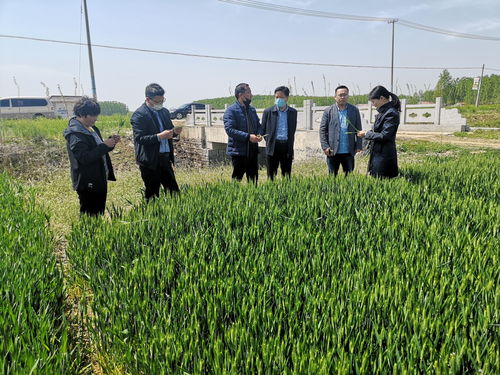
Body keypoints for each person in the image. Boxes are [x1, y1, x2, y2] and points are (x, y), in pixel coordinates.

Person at [63, 96, 120, 216]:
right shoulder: (75, 134)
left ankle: (96, 233)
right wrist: (104, 146)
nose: (96, 118)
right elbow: (84, 158)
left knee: (98, 212)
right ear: (83, 114)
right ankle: (87, 234)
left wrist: (110, 143)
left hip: (99, 177)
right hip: (87, 181)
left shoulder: (91, 128)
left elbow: (97, 149)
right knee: (89, 215)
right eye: (93, 115)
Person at [131, 83, 182, 200]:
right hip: (150, 161)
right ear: (148, 99)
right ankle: (153, 216)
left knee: (174, 192)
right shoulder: (139, 115)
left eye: (162, 100)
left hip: (165, 158)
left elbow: (169, 130)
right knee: (152, 195)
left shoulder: (164, 112)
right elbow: (140, 139)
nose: (160, 104)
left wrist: (175, 132)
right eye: (157, 101)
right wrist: (159, 136)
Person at [357, 85, 400, 178]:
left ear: (382, 98)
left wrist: (367, 134)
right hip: (378, 152)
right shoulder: (383, 112)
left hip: (384, 155)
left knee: (383, 181)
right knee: (375, 179)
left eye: (373, 101)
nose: (373, 104)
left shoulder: (391, 113)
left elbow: (385, 136)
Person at [223, 83, 264, 183]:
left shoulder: (252, 110)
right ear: (241, 95)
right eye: (249, 92)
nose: (251, 95)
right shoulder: (231, 111)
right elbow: (230, 130)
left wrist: (259, 134)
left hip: (253, 151)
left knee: (253, 181)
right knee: (236, 181)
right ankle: (233, 198)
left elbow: (258, 125)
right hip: (239, 152)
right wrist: (248, 137)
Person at [319, 85, 363, 176]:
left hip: (349, 151)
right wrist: (325, 146)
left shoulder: (354, 110)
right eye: (340, 95)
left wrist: (358, 145)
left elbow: (359, 129)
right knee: (332, 176)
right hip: (332, 151)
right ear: (335, 97)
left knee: (349, 176)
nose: (343, 97)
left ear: (348, 96)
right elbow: (323, 130)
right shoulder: (328, 111)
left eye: (345, 95)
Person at [261, 86, 297, 180]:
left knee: (287, 174)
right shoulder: (268, 111)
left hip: (286, 146)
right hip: (273, 146)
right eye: (276, 97)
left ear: (287, 98)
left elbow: (292, 131)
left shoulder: (293, 112)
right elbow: (263, 129)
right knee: (271, 175)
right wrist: (270, 140)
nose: (278, 99)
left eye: (281, 97)